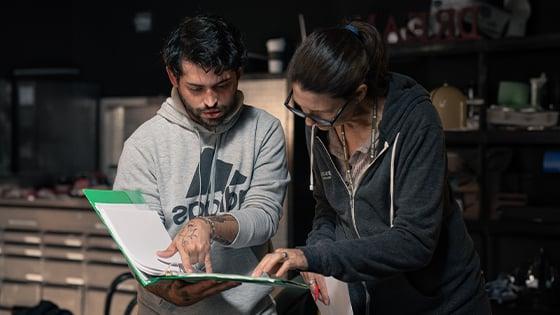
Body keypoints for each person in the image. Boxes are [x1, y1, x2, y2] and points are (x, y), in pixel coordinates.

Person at [252, 20, 491, 314]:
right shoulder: (318, 124)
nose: (310, 123)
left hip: (442, 303)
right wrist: (314, 252)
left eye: (320, 115)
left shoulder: (415, 122)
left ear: (359, 94)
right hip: (377, 300)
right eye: (300, 108)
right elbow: (328, 209)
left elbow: (415, 241)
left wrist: (315, 257)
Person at [113, 14, 289, 314]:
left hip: (250, 308)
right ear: (173, 77)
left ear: (238, 73)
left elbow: (263, 217)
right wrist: (166, 291)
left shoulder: (264, 129)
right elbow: (138, 243)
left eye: (222, 85)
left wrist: (209, 225)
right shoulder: (143, 145)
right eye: (196, 88)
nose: (210, 100)